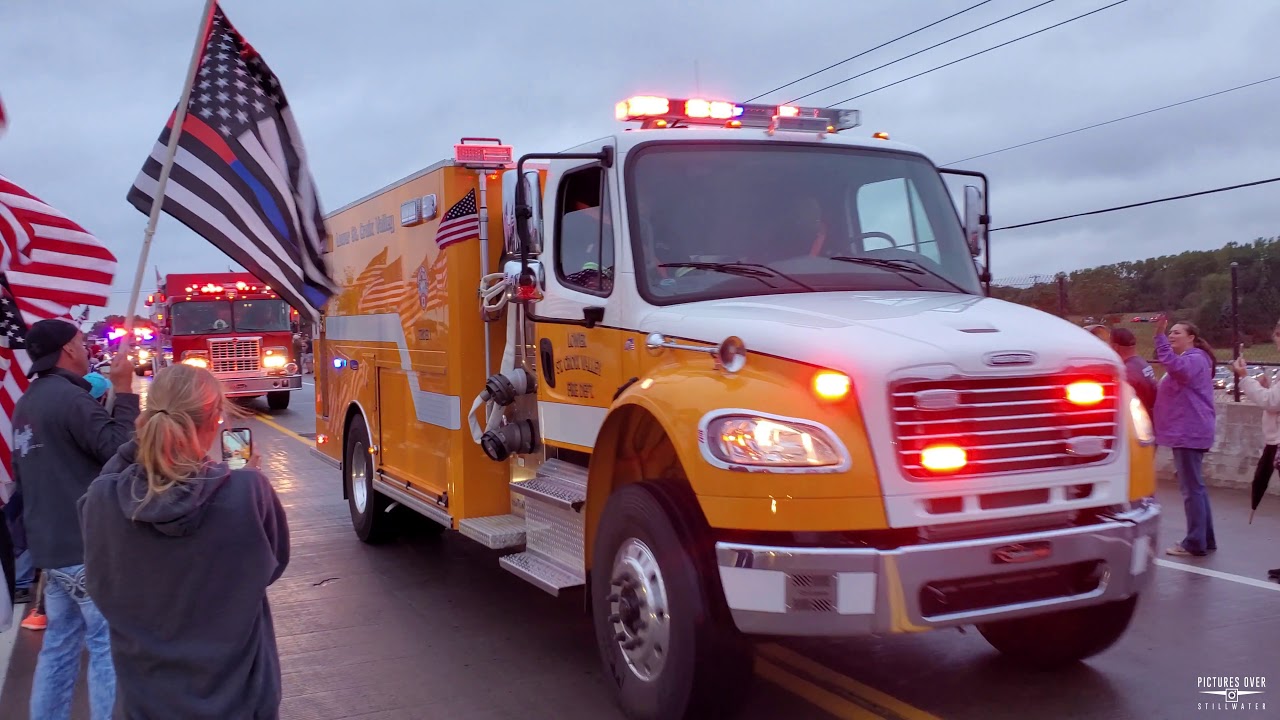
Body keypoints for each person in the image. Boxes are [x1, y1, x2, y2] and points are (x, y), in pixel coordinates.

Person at [80, 364, 290, 720]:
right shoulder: (248, 492)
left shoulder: (103, 500)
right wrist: (242, 481)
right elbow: (273, 564)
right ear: (214, 419)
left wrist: (142, 441)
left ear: (145, 423)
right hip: (242, 702)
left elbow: (106, 483)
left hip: (145, 704)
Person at [13, 318, 138, 719]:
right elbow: (119, 448)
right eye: (82, 341)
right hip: (89, 547)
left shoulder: (27, 403)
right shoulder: (71, 400)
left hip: (51, 549)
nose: (88, 349)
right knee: (107, 649)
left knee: (60, 649)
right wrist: (124, 391)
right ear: (68, 349)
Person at [1152, 315, 1218, 557]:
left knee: (1191, 489)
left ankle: (1194, 542)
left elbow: (1176, 369)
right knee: (1196, 487)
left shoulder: (1193, 360)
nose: (1172, 335)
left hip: (1190, 431)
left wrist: (1159, 336)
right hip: (1189, 430)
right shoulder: (1194, 359)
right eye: (1171, 332)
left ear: (1191, 338)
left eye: (1177, 332)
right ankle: (1204, 538)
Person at [1111, 327, 1158, 415]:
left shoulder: (1126, 371)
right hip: (1150, 415)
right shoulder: (1141, 362)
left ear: (1115, 347)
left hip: (1137, 418)